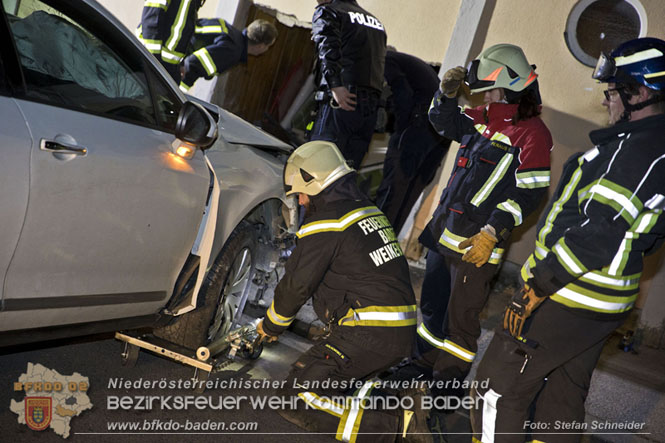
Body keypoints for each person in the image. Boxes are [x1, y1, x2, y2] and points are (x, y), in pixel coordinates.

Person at [471, 37, 665, 443]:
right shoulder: (651, 149)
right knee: (560, 400)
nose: (607, 102)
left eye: (612, 93)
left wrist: (537, 287)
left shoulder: (636, 151)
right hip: (601, 301)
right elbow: (647, 239)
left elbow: (596, 237)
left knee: (496, 388)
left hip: (568, 296)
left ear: (640, 92)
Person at [256, 141, 432, 442]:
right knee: (338, 386)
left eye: (300, 192)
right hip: (397, 332)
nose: (299, 199)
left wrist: (270, 326)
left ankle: (398, 427)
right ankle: (400, 398)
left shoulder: (326, 224)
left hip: (367, 333)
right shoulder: (366, 210)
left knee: (296, 396)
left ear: (314, 182)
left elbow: (296, 286)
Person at [412, 44, 553, 389]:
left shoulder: (532, 135)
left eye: (488, 88)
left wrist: (493, 231)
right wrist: (445, 95)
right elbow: (443, 123)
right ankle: (421, 366)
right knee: (432, 307)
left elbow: (529, 193)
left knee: (460, 319)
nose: (483, 95)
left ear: (506, 85)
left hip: (477, 245)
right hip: (444, 234)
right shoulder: (484, 118)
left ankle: (447, 385)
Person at [375, 50, 451, 234]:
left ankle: (372, 243)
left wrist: (400, 129)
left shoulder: (384, 59)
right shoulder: (412, 65)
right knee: (408, 193)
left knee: (393, 188)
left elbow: (402, 93)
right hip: (440, 132)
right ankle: (387, 245)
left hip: (418, 126)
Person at [308, 0, 387, 169]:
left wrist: (335, 84)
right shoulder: (376, 22)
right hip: (369, 108)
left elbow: (327, 47)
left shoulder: (329, 11)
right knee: (346, 171)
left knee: (319, 166)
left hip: (342, 100)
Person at [179, 18, 278, 92]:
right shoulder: (232, 52)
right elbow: (193, 64)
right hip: (173, 63)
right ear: (260, 46)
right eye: (268, 46)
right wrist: (178, 93)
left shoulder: (227, 28)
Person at [138, 0, 202, 82]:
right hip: (153, 63)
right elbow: (152, 19)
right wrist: (153, 62)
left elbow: (181, 25)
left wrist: (180, 64)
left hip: (169, 67)